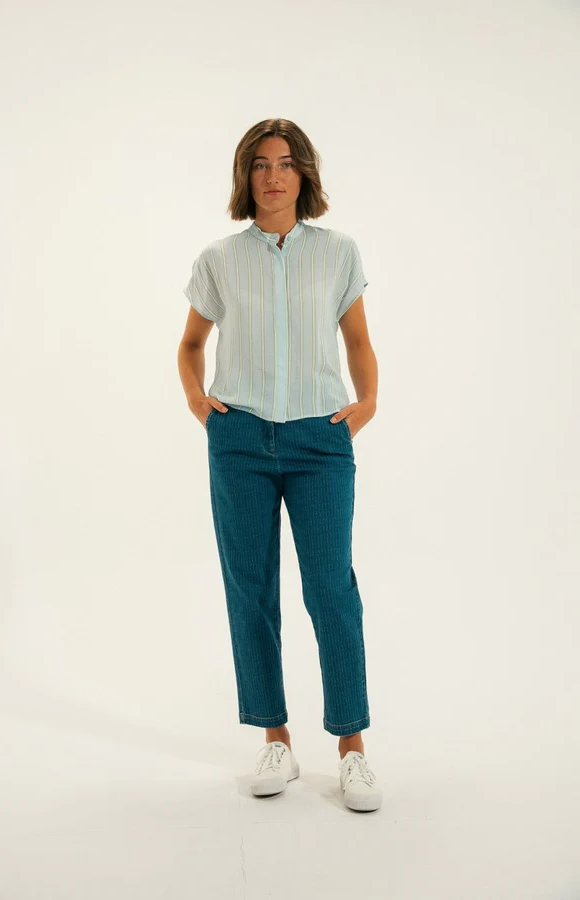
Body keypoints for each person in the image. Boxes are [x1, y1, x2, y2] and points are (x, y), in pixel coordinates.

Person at [178, 118, 382, 812]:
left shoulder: (337, 252)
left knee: (331, 590)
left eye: (286, 163)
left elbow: (358, 341)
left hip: (320, 440)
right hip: (239, 439)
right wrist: (200, 404)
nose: (273, 176)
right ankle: (275, 738)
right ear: (246, 175)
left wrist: (367, 403)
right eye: (260, 163)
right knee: (251, 590)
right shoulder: (219, 258)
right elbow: (190, 345)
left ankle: (352, 748)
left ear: (304, 174)